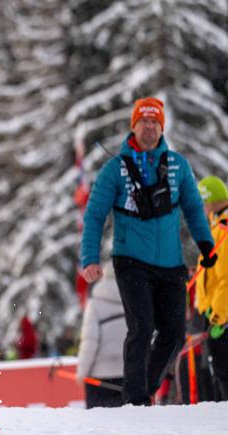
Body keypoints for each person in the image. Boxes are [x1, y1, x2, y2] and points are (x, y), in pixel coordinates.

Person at [81, 97, 215, 405]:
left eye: (155, 122)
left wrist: (205, 244)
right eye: (144, 122)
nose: (150, 127)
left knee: (173, 333)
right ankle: (135, 399)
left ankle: (148, 389)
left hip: (170, 263)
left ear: (162, 127)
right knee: (141, 327)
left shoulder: (179, 166)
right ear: (134, 126)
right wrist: (89, 259)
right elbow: (95, 215)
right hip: (131, 261)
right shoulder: (115, 169)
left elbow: (194, 208)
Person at [194, 176, 228, 400]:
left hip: (222, 320)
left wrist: (219, 316)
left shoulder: (223, 231)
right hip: (214, 316)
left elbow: (225, 278)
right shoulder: (217, 229)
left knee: (224, 377)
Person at [76, 261, 126, 408]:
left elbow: (89, 342)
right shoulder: (133, 301)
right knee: (128, 426)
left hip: (99, 377)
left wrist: (82, 372)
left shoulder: (95, 304)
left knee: (99, 427)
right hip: (128, 373)